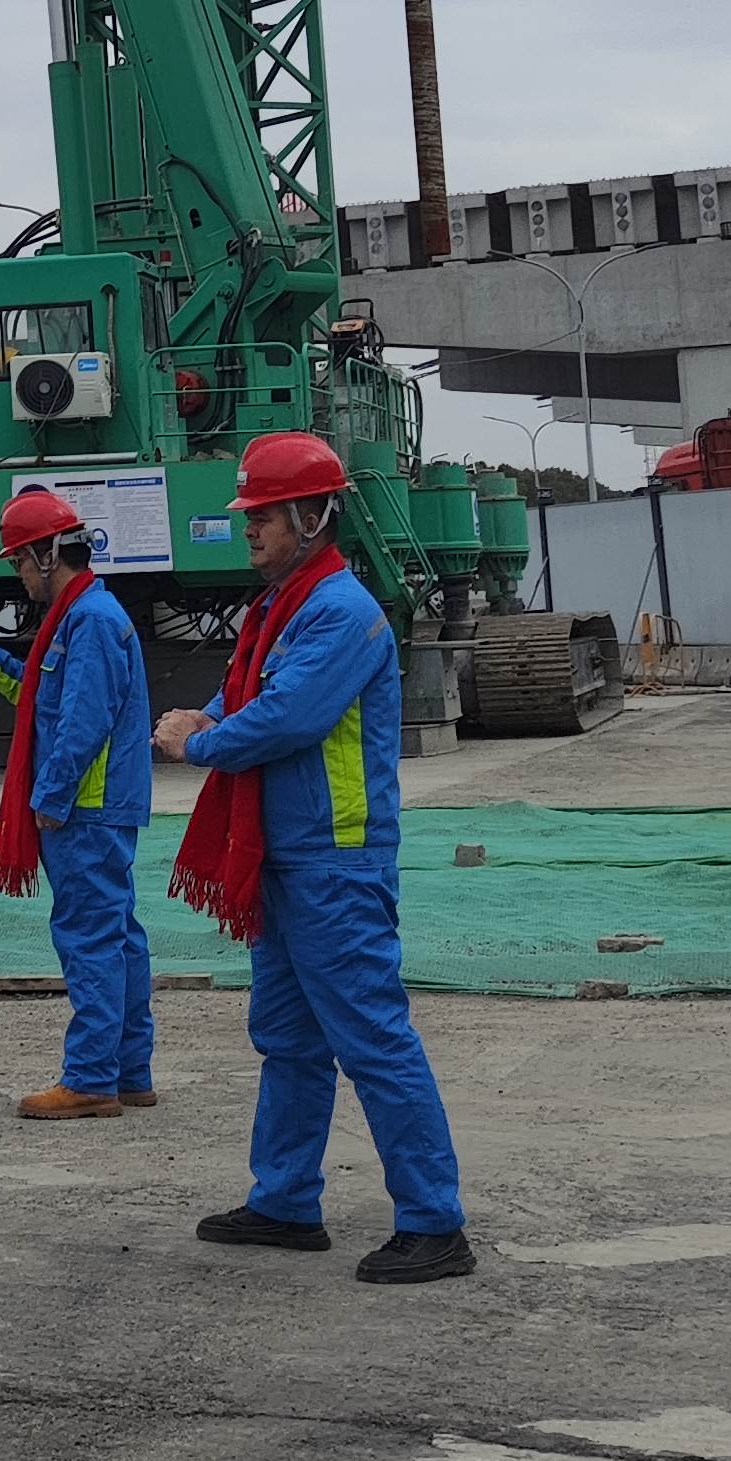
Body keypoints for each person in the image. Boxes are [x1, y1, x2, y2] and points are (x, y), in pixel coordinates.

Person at [154, 433, 471, 1283]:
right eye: (250, 515)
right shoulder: (282, 610)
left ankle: (435, 1223)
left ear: (312, 517)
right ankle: (286, 1202)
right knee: (289, 1039)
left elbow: (285, 717)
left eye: (263, 516)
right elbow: (249, 694)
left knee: (372, 1040)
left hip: (334, 862)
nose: (249, 529)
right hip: (293, 858)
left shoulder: (336, 611)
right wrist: (208, 716)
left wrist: (198, 742)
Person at [0, 487, 155, 1121]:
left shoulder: (87, 621)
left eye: (19, 560)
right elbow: (40, 698)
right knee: (117, 936)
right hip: (102, 806)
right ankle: (128, 1073)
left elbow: (81, 722)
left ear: (47, 554)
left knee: (89, 937)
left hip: (85, 809)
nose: (18, 573)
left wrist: (51, 796)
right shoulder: (84, 616)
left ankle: (91, 1078)